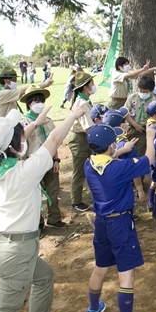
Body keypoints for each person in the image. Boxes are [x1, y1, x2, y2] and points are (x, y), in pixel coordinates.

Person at [0, 101, 87, 312]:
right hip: (17, 252)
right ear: (16, 144)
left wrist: (36, 122)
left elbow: (15, 142)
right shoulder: (25, 172)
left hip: (0, 244)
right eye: (21, 130)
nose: (25, 131)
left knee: (44, 276)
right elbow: (55, 138)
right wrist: (73, 115)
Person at [84, 123, 156, 312]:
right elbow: (149, 160)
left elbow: (107, 158)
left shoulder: (89, 164)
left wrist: (120, 151)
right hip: (121, 224)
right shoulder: (118, 168)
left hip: (102, 223)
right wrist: (150, 136)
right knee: (126, 273)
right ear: (111, 144)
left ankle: (93, 310)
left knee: (100, 267)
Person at [21, 85, 67, 229]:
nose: (40, 104)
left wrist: (56, 159)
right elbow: (22, 146)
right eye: (36, 102)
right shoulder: (24, 123)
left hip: (49, 161)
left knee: (53, 190)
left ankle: (54, 218)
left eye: (41, 101)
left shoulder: (48, 121)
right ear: (29, 104)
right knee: (35, 194)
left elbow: (54, 141)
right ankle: (38, 223)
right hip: (32, 162)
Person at [68, 72, 97, 213]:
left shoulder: (85, 100)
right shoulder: (82, 103)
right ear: (85, 87)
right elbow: (88, 129)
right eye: (91, 83)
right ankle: (76, 201)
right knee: (79, 171)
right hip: (79, 139)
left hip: (84, 137)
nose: (93, 86)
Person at [124, 76, 156, 156]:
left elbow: (155, 118)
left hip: (144, 129)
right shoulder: (133, 97)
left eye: (145, 92)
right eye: (140, 91)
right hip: (132, 128)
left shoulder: (154, 101)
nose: (142, 93)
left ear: (151, 90)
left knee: (141, 151)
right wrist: (135, 125)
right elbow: (125, 113)